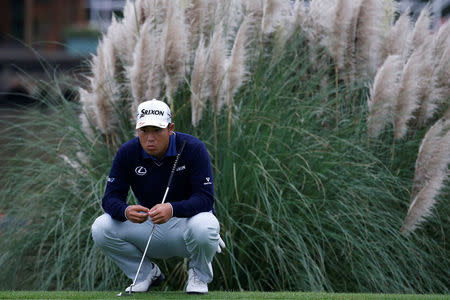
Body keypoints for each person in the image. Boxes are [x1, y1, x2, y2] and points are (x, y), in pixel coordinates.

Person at [91, 99, 224, 294]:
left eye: (157, 130)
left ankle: (199, 275)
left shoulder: (192, 147)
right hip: (149, 225)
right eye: (144, 130)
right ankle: (144, 274)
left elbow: (205, 199)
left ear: (170, 129)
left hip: (187, 227)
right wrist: (126, 211)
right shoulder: (127, 152)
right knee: (101, 227)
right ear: (137, 130)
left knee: (206, 224)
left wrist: (172, 209)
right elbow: (110, 199)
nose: (150, 138)